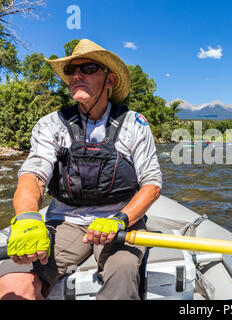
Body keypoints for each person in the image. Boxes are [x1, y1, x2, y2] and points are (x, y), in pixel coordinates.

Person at [0, 39, 162, 300]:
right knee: (15, 283)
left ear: (109, 81)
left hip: (120, 222)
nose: (76, 75)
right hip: (64, 222)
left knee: (122, 275)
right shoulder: (51, 124)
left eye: (87, 68)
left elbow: (152, 184)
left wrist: (119, 219)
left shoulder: (135, 124)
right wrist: (28, 216)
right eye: (70, 71)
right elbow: (33, 176)